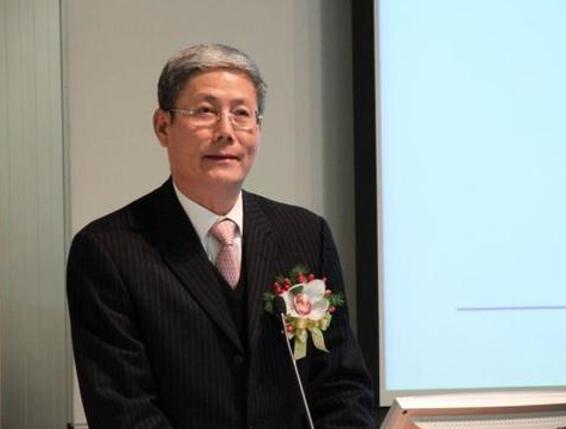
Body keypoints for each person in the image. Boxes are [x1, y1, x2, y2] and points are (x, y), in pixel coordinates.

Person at [67, 43, 375, 429]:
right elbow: (125, 411)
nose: (226, 131)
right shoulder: (108, 250)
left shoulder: (304, 234)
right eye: (205, 112)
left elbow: (341, 383)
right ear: (163, 126)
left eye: (241, 114)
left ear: (258, 129)